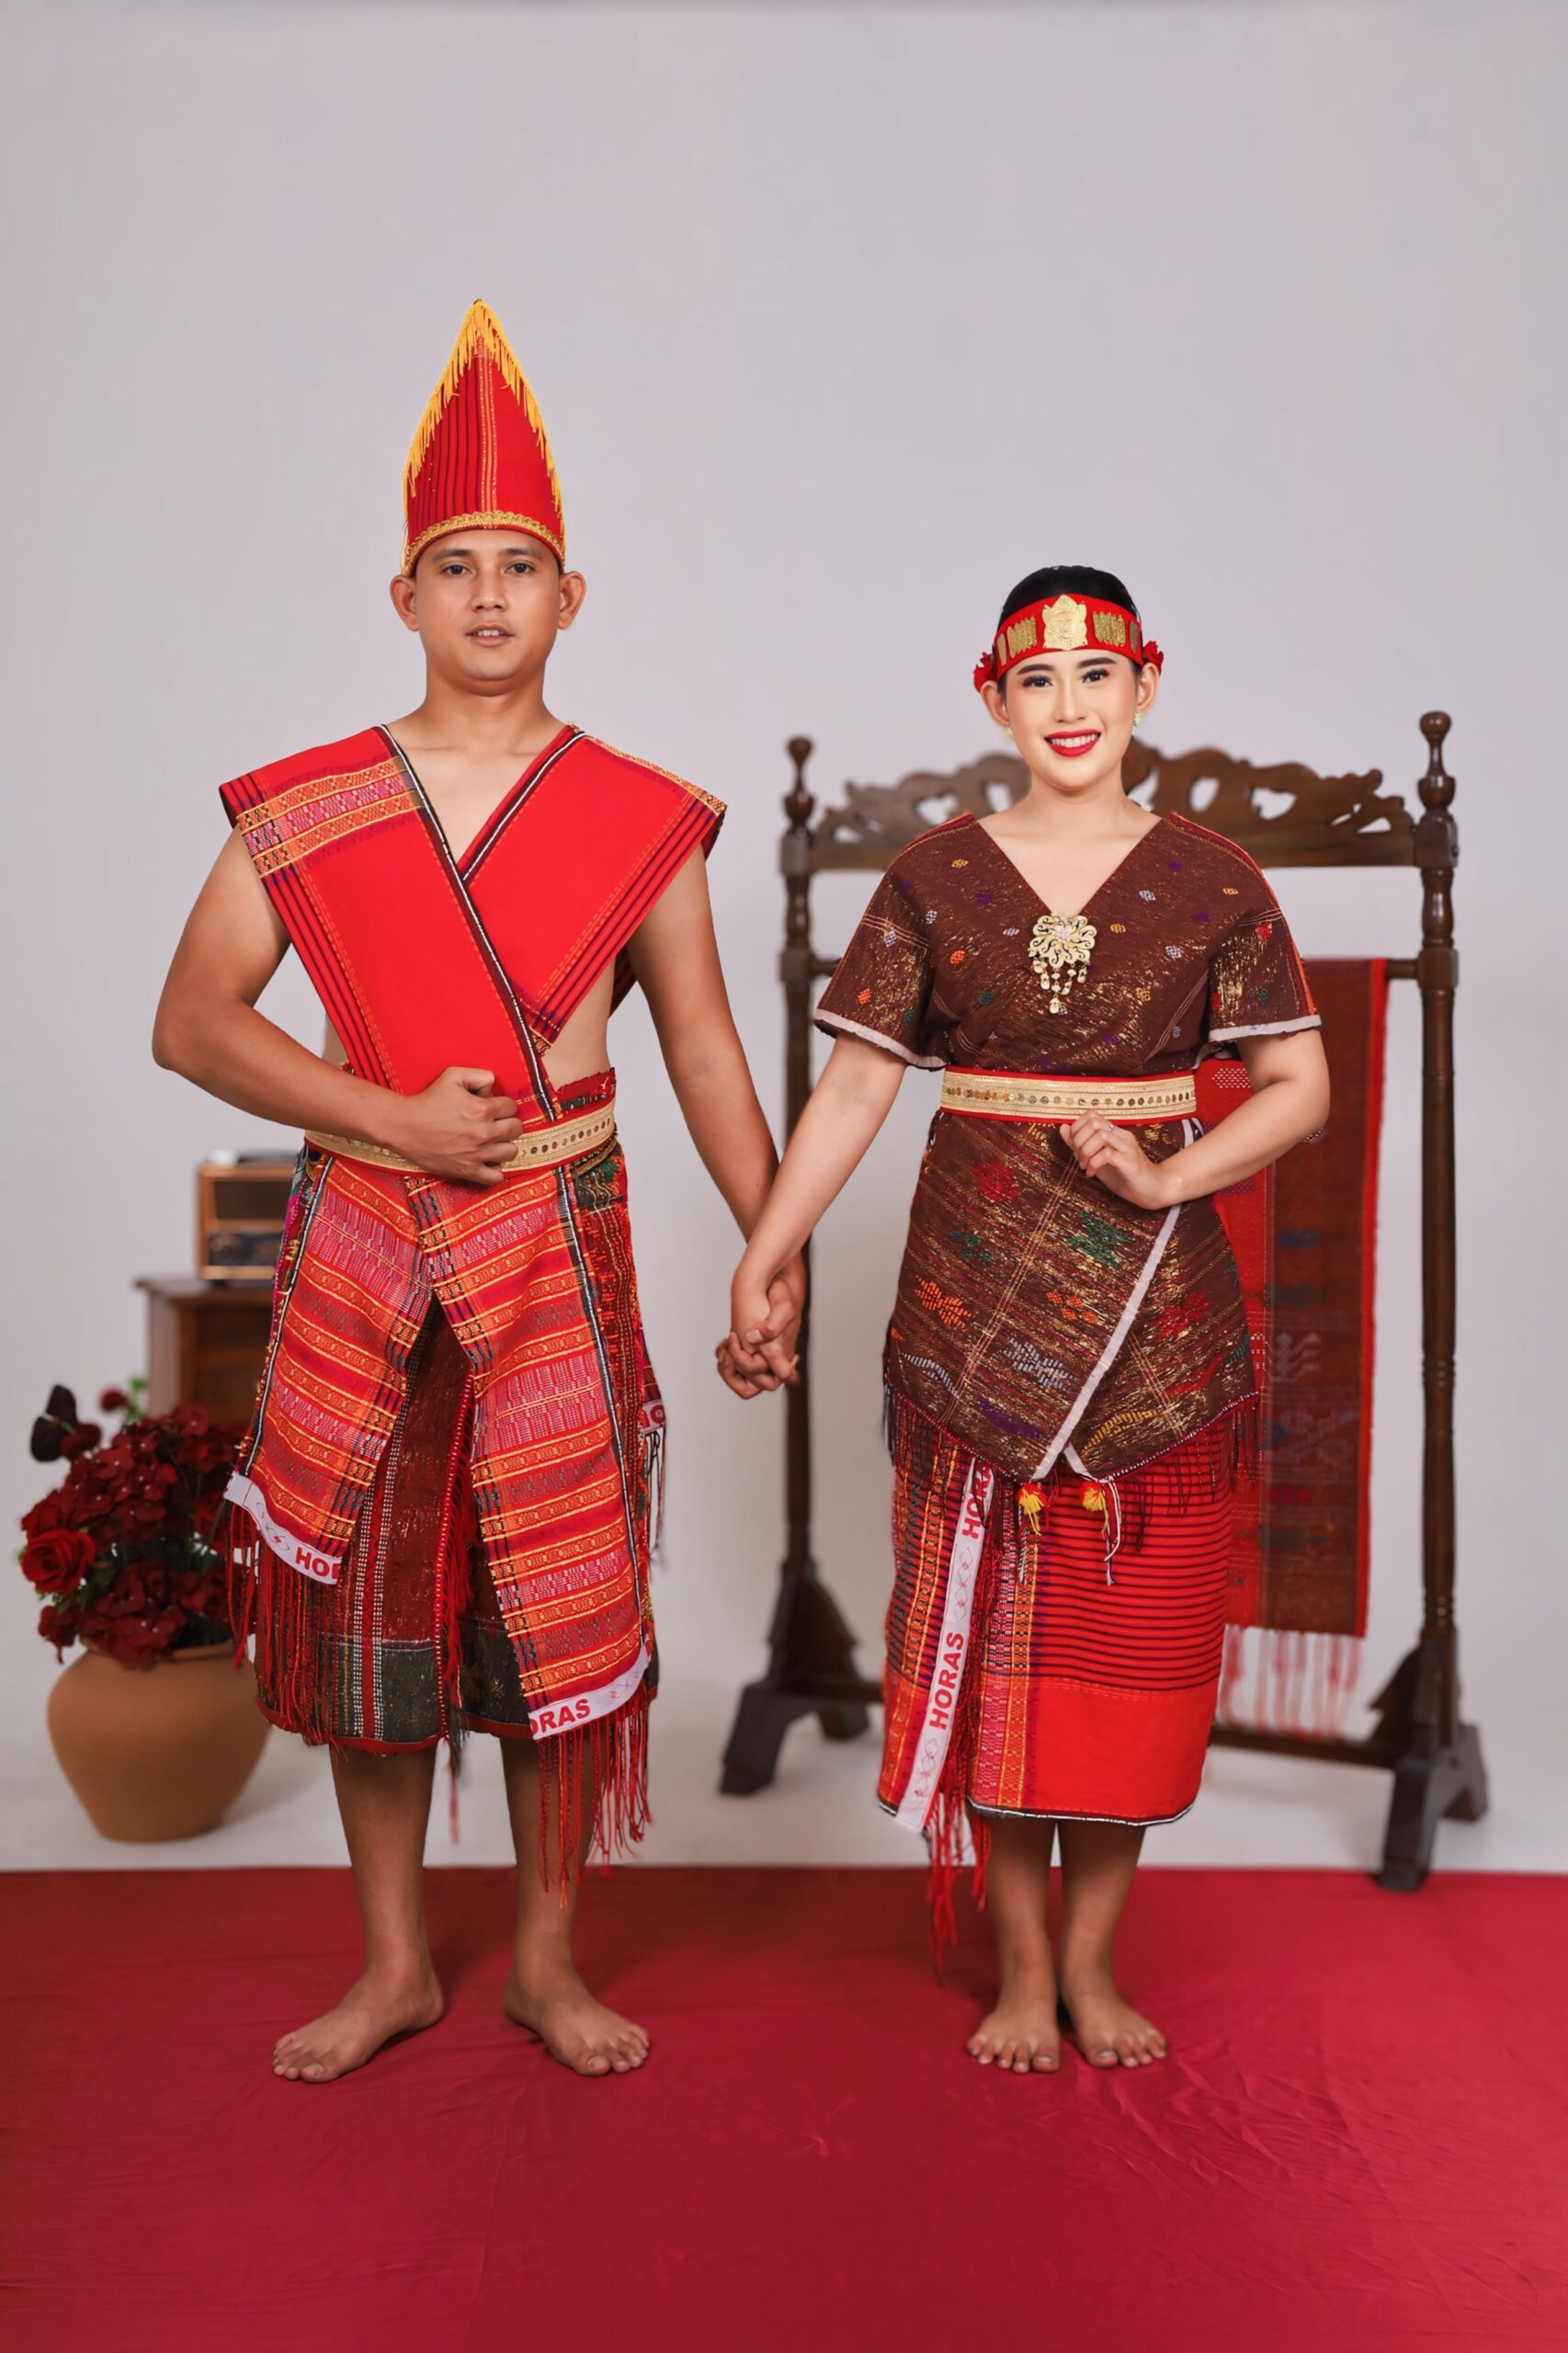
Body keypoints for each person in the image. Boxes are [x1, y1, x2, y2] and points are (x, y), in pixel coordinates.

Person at [154, 301, 801, 2085]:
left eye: (521, 566)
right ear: (405, 596)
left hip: (558, 1246)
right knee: (366, 1605)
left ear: (570, 596)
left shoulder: (639, 816)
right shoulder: (309, 804)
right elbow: (194, 1022)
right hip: (369, 1236)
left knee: (551, 1609)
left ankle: (542, 1962)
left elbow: (704, 1054)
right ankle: (391, 1964)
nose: (490, 594)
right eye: (457, 566)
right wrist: (389, 1117)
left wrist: (772, 1248)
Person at [723, 567, 1329, 2075]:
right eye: (1036, 678)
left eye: (1095, 673)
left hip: (1157, 1322)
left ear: (1145, 684)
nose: (1068, 704)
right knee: (1001, 1651)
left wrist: (1170, 1171)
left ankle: (1092, 1965)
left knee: (1130, 1658)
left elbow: (1298, 1087)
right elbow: (856, 1087)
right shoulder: (932, 877)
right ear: (992, 697)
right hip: (970, 1314)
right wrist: (765, 1251)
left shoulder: (1214, 880)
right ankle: (1015, 1968)